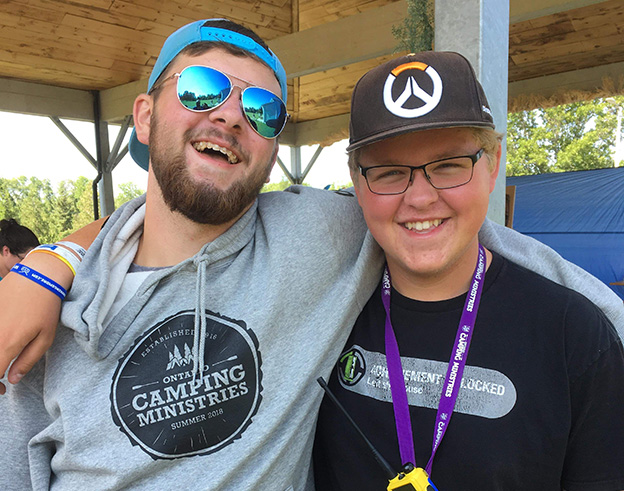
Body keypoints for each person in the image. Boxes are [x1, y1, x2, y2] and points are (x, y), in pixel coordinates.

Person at [0, 19, 622, 490]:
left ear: (274, 148)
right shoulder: (48, 313)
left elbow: (457, 227)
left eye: (263, 109)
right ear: (143, 115)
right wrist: (51, 264)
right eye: (200, 89)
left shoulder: (317, 235)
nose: (229, 115)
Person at [313, 52, 624, 490]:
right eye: (388, 172)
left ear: (492, 166)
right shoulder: (318, 317)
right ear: (358, 185)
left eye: (447, 166)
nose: (420, 198)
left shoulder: (575, 335)